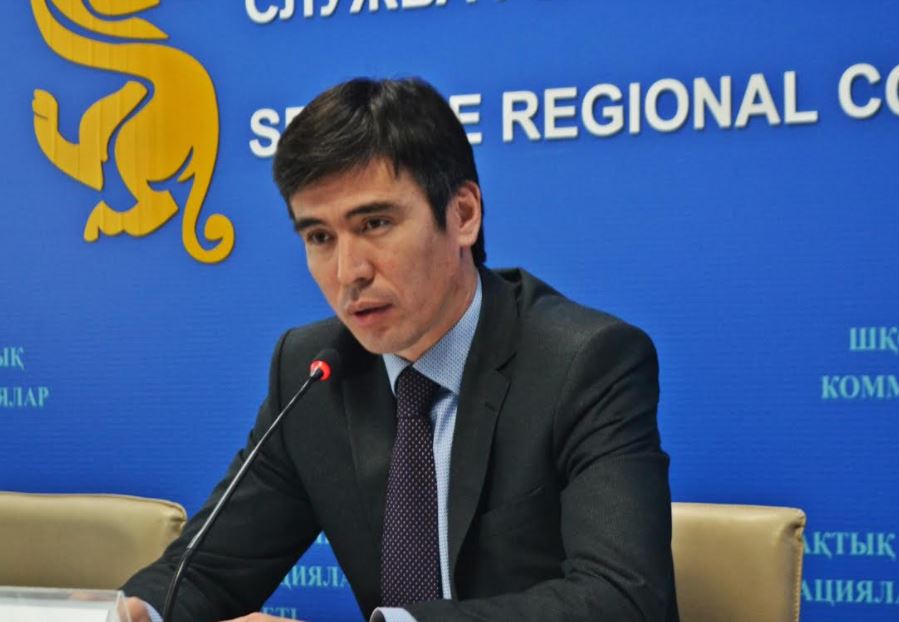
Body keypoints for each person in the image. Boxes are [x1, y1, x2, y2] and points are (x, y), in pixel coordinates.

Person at [122, 77, 679, 622]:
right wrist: (130, 614)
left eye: (375, 223)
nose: (349, 272)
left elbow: (625, 601)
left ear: (463, 215)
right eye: (320, 237)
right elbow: (204, 571)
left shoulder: (583, 363)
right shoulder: (311, 371)